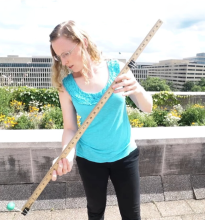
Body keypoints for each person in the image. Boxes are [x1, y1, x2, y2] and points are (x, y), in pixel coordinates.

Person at [49, 20, 153, 220]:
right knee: (95, 211)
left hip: (125, 155)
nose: (63, 61)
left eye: (66, 53)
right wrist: (67, 154)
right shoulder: (66, 86)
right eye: (58, 56)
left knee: (131, 214)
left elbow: (147, 108)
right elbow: (70, 128)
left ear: (83, 43)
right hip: (90, 160)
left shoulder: (118, 70)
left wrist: (137, 89)